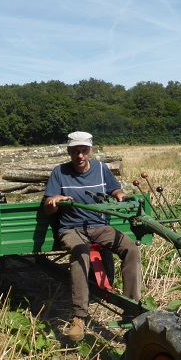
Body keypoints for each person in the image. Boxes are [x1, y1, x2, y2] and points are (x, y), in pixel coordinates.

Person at [43, 131, 141, 342]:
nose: (80, 156)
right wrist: (55, 200)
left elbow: (115, 189)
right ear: (69, 152)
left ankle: (131, 309)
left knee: (131, 249)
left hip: (100, 226)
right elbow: (48, 209)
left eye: (84, 151)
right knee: (81, 253)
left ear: (91, 151)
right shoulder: (59, 172)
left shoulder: (101, 169)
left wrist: (118, 194)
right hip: (71, 229)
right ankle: (79, 317)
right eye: (75, 151)